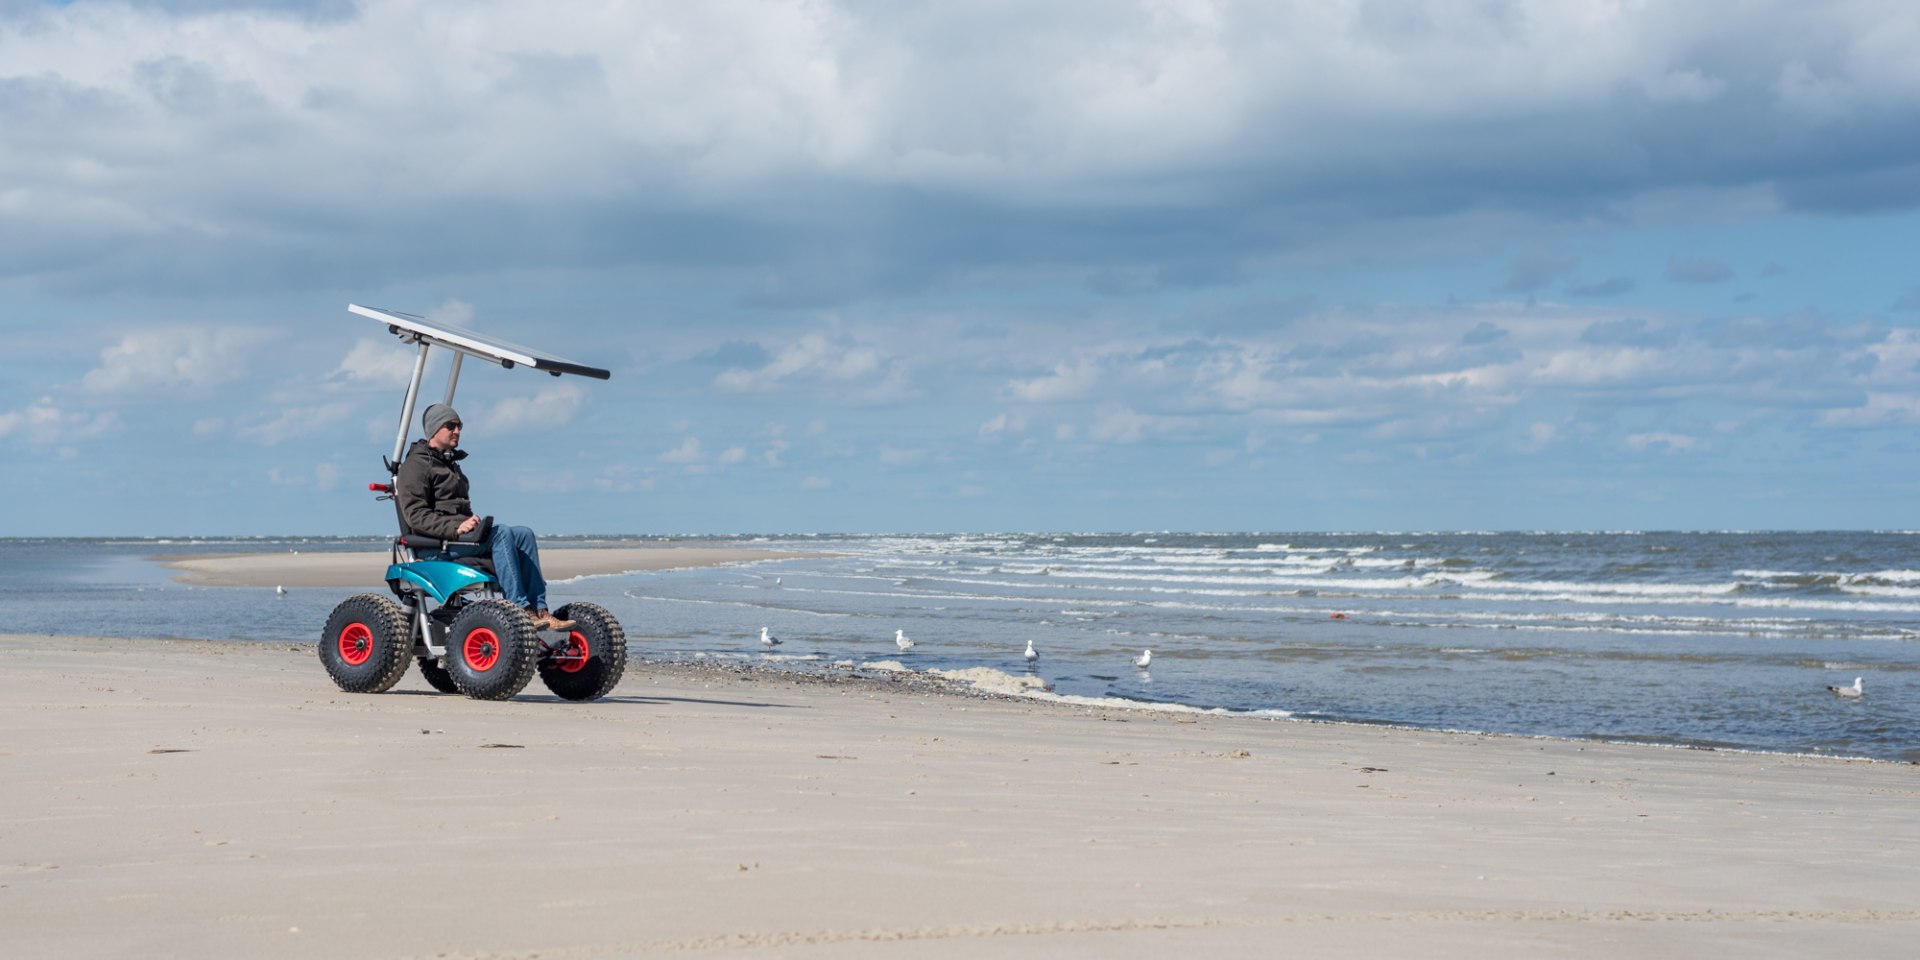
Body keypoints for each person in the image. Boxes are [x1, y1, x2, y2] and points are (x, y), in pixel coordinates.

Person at [396, 403, 574, 631]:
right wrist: (456, 527)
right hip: (436, 544)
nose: (457, 431)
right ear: (434, 429)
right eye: (451, 426)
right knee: (501, 533)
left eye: (459, 426)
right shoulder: (415, 465)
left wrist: (469, 524)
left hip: (459, 539)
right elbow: (416, 516)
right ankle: (520, 610)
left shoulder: (449, 463)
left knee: (523, 534)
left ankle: (540, 610)